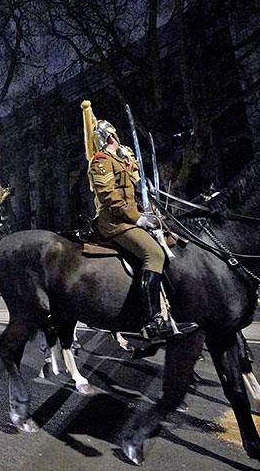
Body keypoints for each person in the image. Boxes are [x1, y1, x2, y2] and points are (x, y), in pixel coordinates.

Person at [81, 100, 197, 343]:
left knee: (174, 240)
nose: (115, 137)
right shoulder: (100, 161)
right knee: (153, 254)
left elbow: (138, 188)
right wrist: (138, 218)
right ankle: (150, 319)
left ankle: (176, 306)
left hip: (136, 214)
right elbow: (110, 197)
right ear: (106, 136)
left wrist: (152, 207)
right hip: (115, 222)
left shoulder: (124, 159)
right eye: (111, 134)